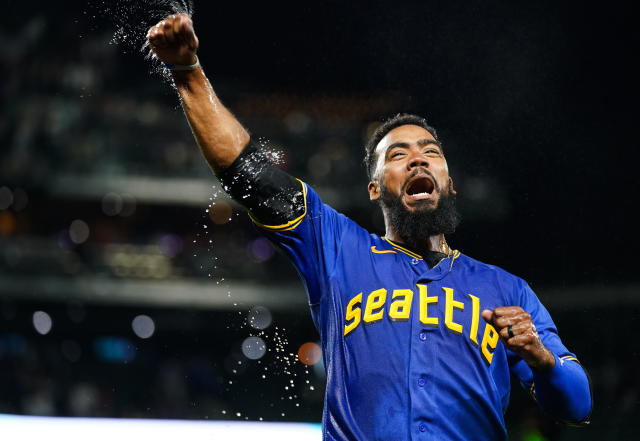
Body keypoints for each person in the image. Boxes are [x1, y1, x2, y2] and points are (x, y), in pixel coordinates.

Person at [147, 13, 592, 441]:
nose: (417, 157)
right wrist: (188, 72)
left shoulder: (507, 290)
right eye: (397, 155)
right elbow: (251, 176)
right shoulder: (338, 248)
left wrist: (543, 358)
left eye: (430, 151)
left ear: (450, 183)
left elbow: (576, 406)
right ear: (376, 189)